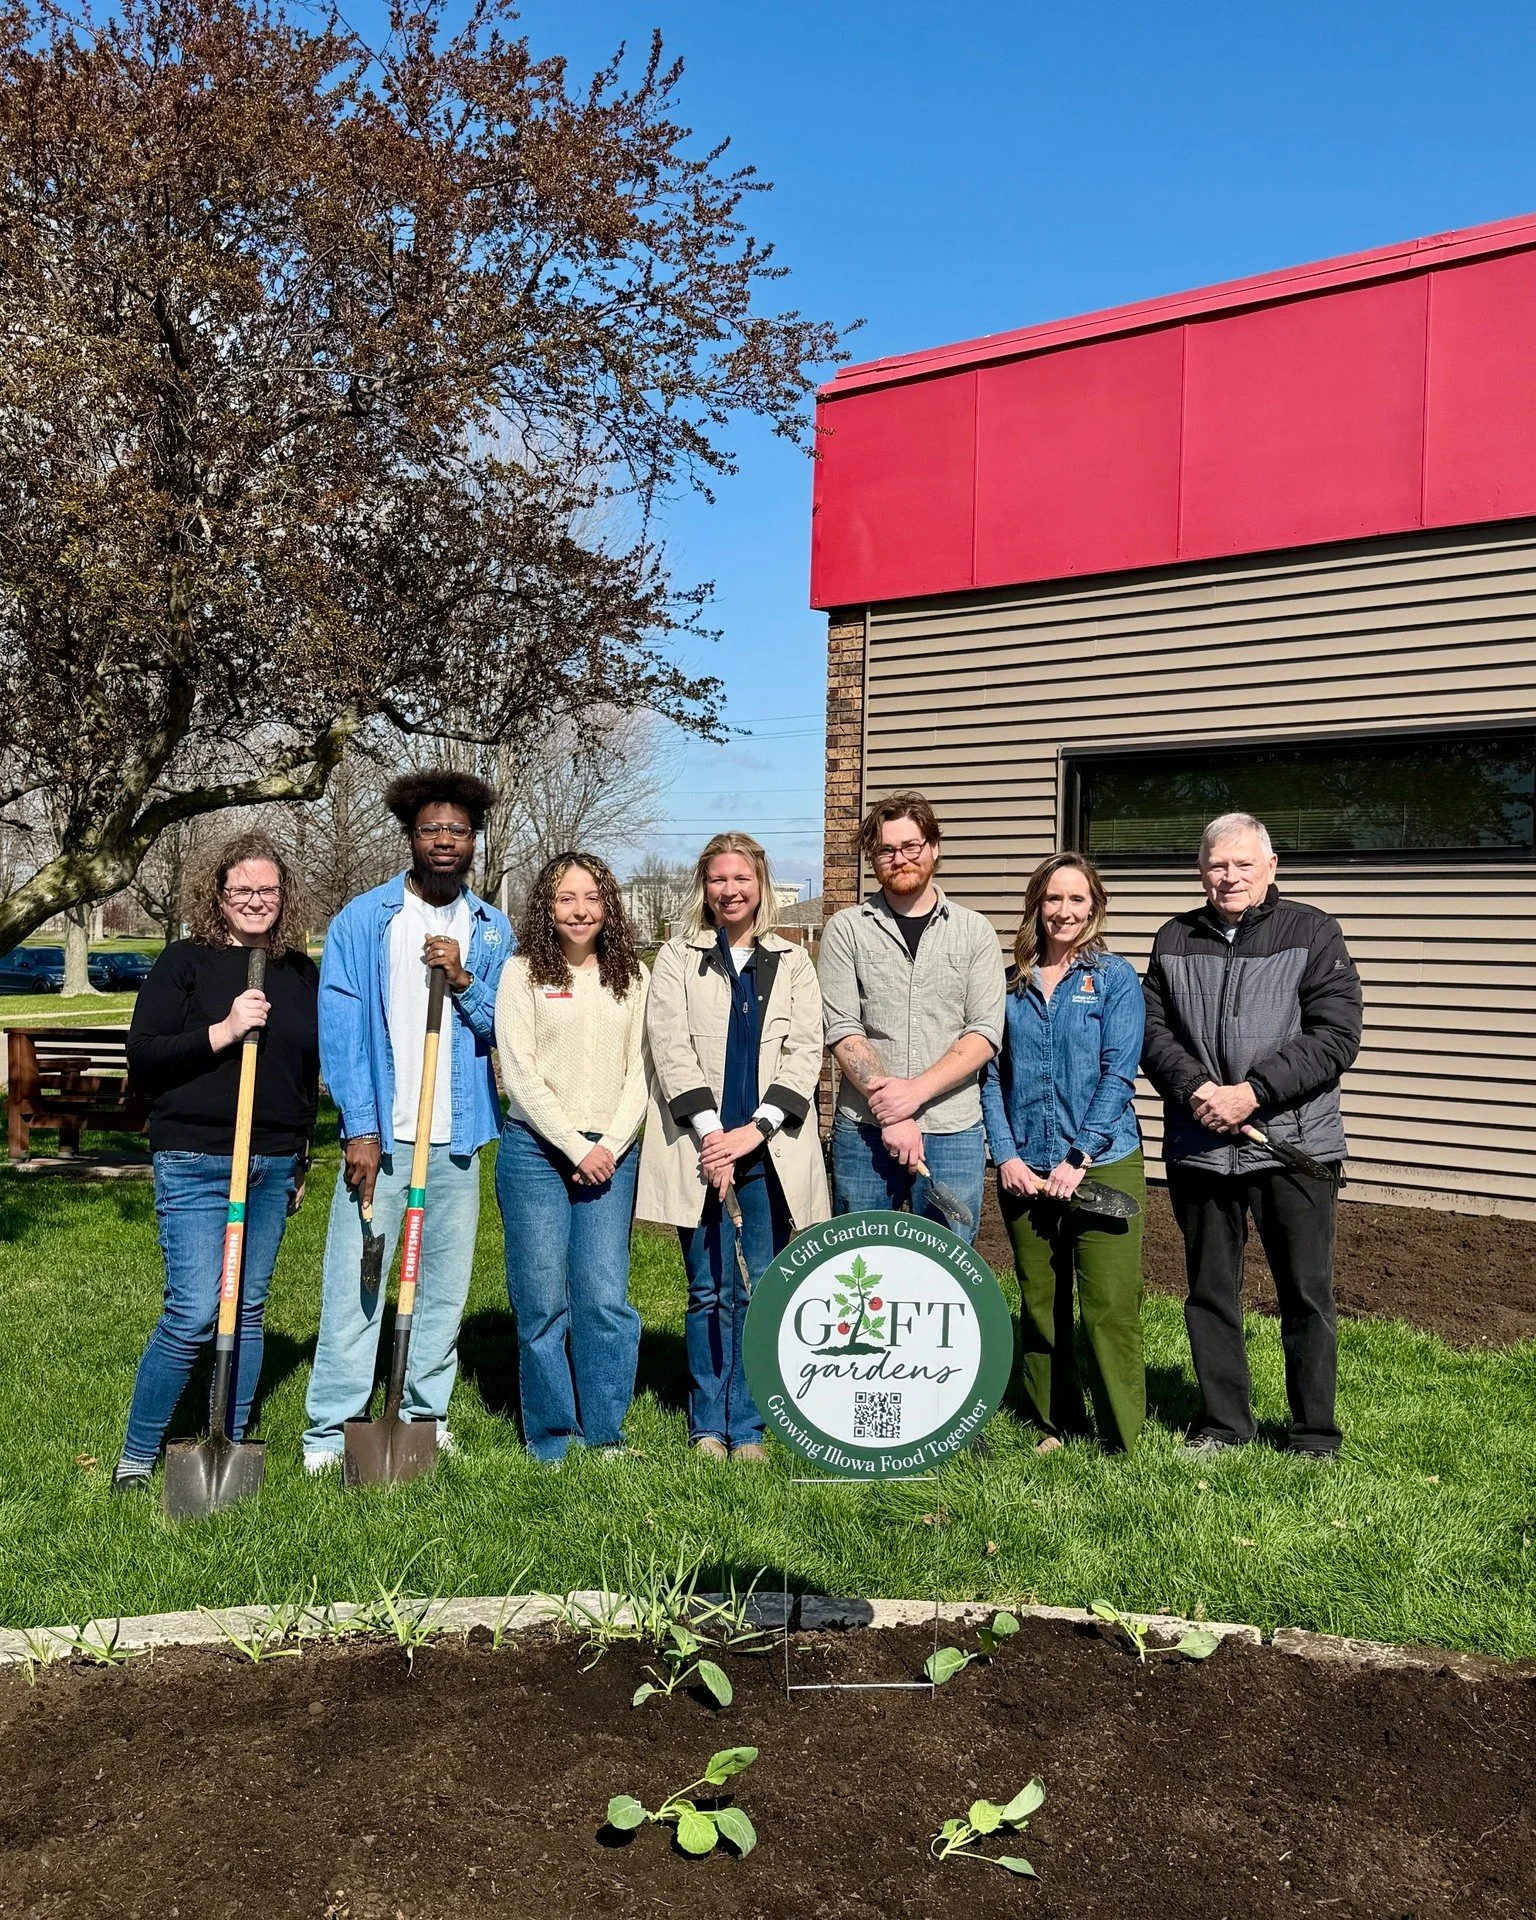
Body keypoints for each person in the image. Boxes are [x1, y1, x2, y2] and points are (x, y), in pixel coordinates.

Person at [302, 770, 513, 1471]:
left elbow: (501, 1028)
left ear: (473, 840)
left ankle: (425, 1414)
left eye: (457, 830)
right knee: (358, 1283)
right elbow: (341, 1029)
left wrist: (462, 981)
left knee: (443, 1288)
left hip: (456, 1138)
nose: (445, 841)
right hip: (384, 1138)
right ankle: (332, 1428)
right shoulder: (365, 922)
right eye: (432, 830)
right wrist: (359, 1129)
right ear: (411, 837)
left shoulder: (491, 929)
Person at [1142, 811, 1362, 1461]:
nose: (1229, 876)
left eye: (1243, 863)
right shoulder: (1174, 938)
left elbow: (1336, 1034)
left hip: (1293, 1144)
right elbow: (1154, 1035)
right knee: (1211, 1293)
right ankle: (1223, 1426)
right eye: (1217, 864)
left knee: (1305, 1295)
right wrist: (1199, 1091)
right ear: (1200, 871)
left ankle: (1313, 1434)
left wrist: (1254, 1092)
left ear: (1272, 868)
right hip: (1201, 1145)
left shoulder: (1313, 933)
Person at [114, 832, 318, 1492]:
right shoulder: (185, 963)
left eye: (268, 890)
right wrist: (224, 1032)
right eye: (242, 891)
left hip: (271, 1159)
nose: (256, 901)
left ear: (285, 897)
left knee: (248, 1308)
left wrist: (301, 1157)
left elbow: (304, 1070)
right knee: (196, 1310)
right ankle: (135, 1459)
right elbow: (144, 1055)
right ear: (219, 896)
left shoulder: (296, 971)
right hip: (198, 1156)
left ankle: (226, 1442)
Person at [637, 832, 829, 1461]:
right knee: (709, 1288)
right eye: (718, 880)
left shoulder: (793, 960)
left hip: (768, 1151)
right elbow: (669, 1046)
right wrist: (711, 1134)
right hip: (702, 1150)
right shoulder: (675, 957)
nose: (730, 891)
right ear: (704, 887)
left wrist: (756, 1128)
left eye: (741, 879)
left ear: (761, 885)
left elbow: (805, 1052)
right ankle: (706, 1424)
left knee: (761, 1284)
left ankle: (749, 1424)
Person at [981, 854, 1146, 1453]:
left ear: (1094, 907)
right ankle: (1054, 1423)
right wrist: (1006, 1155)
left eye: (1078, 900)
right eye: (1053, 899)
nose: (1065, 911)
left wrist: (1078, 1158)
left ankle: (1121, 1436)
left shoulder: (1115, 979)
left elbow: (1118, 1076)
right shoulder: (1009, 987)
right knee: (1041, 1301)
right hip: (1024, 1167)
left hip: (1102, 1162)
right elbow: (990, 1079)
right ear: (1036, 905)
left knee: (1107, 1306)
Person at [495, 852, 649, 1465]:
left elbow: (644, 1070)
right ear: (546, 907)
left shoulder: (633, 977)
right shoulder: (521, 974)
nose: (580, 910)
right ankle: (551, 1436)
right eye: (565, 898)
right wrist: (575, 1145)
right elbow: (521, 1075)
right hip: (537, 1150)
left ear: (608, 905)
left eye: (591, 897)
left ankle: (605, 1429)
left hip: (612, 1151)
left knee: (604, 1295)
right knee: (540, 1298)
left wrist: (608, 1144)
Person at [817, 791, 1006, 1244]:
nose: (899, 858)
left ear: (934, 848)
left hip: (952, 1130)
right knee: (856, 1261)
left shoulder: (974, 930)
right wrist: (894, 1116)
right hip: (865, 1130)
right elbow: (843, 1027)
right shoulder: (848, 928)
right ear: (872, 858)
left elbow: (983, 1032)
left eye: (911, 847)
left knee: (947, 1267)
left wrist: (913, 1095)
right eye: (886, 849)